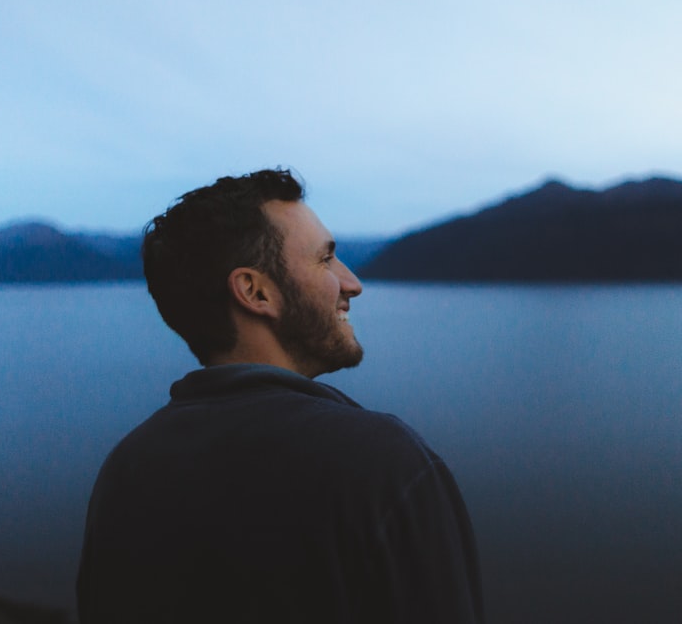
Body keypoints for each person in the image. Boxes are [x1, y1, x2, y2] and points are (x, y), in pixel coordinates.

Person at [77, 169, 484, 623]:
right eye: (326, 260)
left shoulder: (124, 472)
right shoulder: (381, 464)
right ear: (255, 292)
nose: (352, 283)